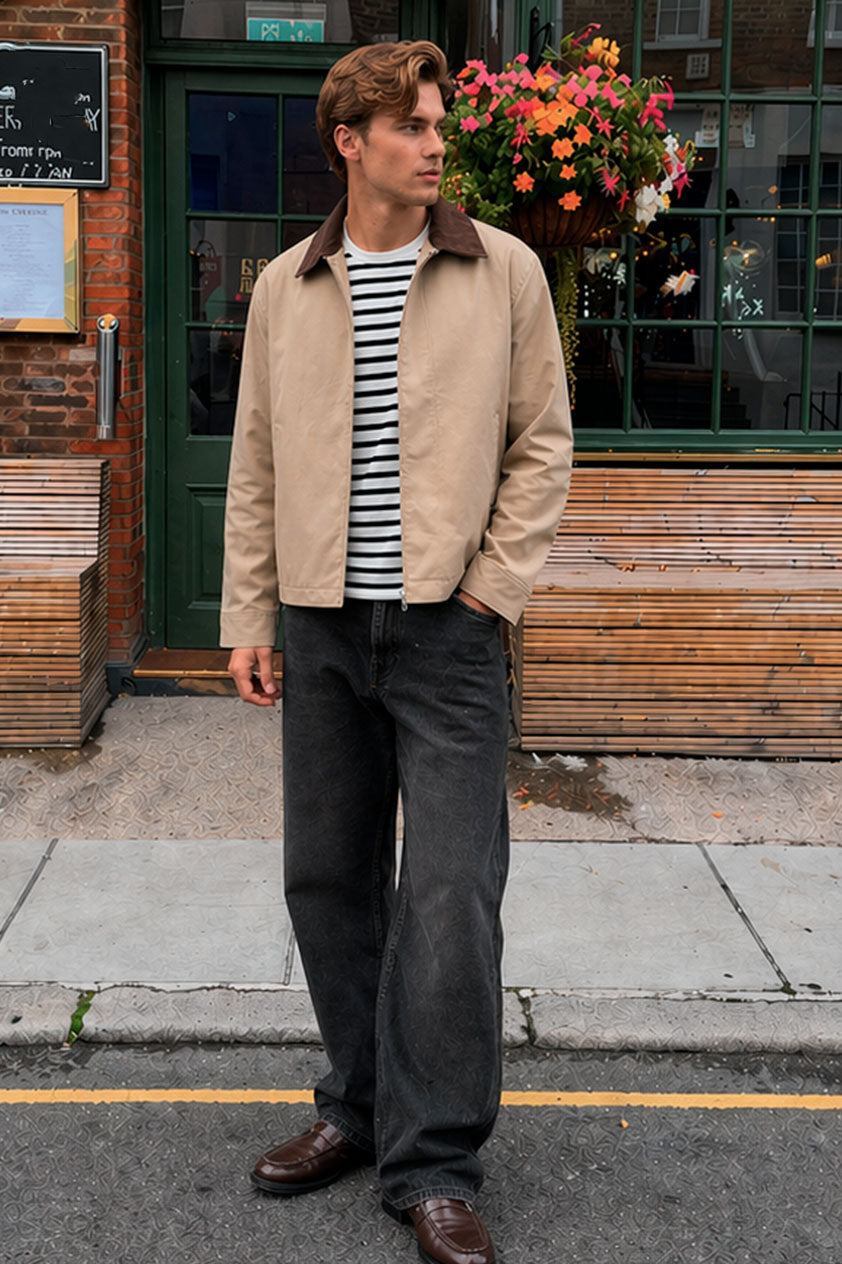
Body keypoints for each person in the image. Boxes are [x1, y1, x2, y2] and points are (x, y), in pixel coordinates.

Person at [221, 39, 573, 1264]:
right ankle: (358, 1107)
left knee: (448, 897)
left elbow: (541, 444)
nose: (434, 146)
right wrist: (249, 615)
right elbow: (255, 461)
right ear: (350, 142)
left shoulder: (502, 269)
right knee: (325, 877)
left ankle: (435, 1163)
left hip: (447, 633)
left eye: (437, 126)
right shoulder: (287, 285)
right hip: (321, 625)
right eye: (412, 127)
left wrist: (487, 594)